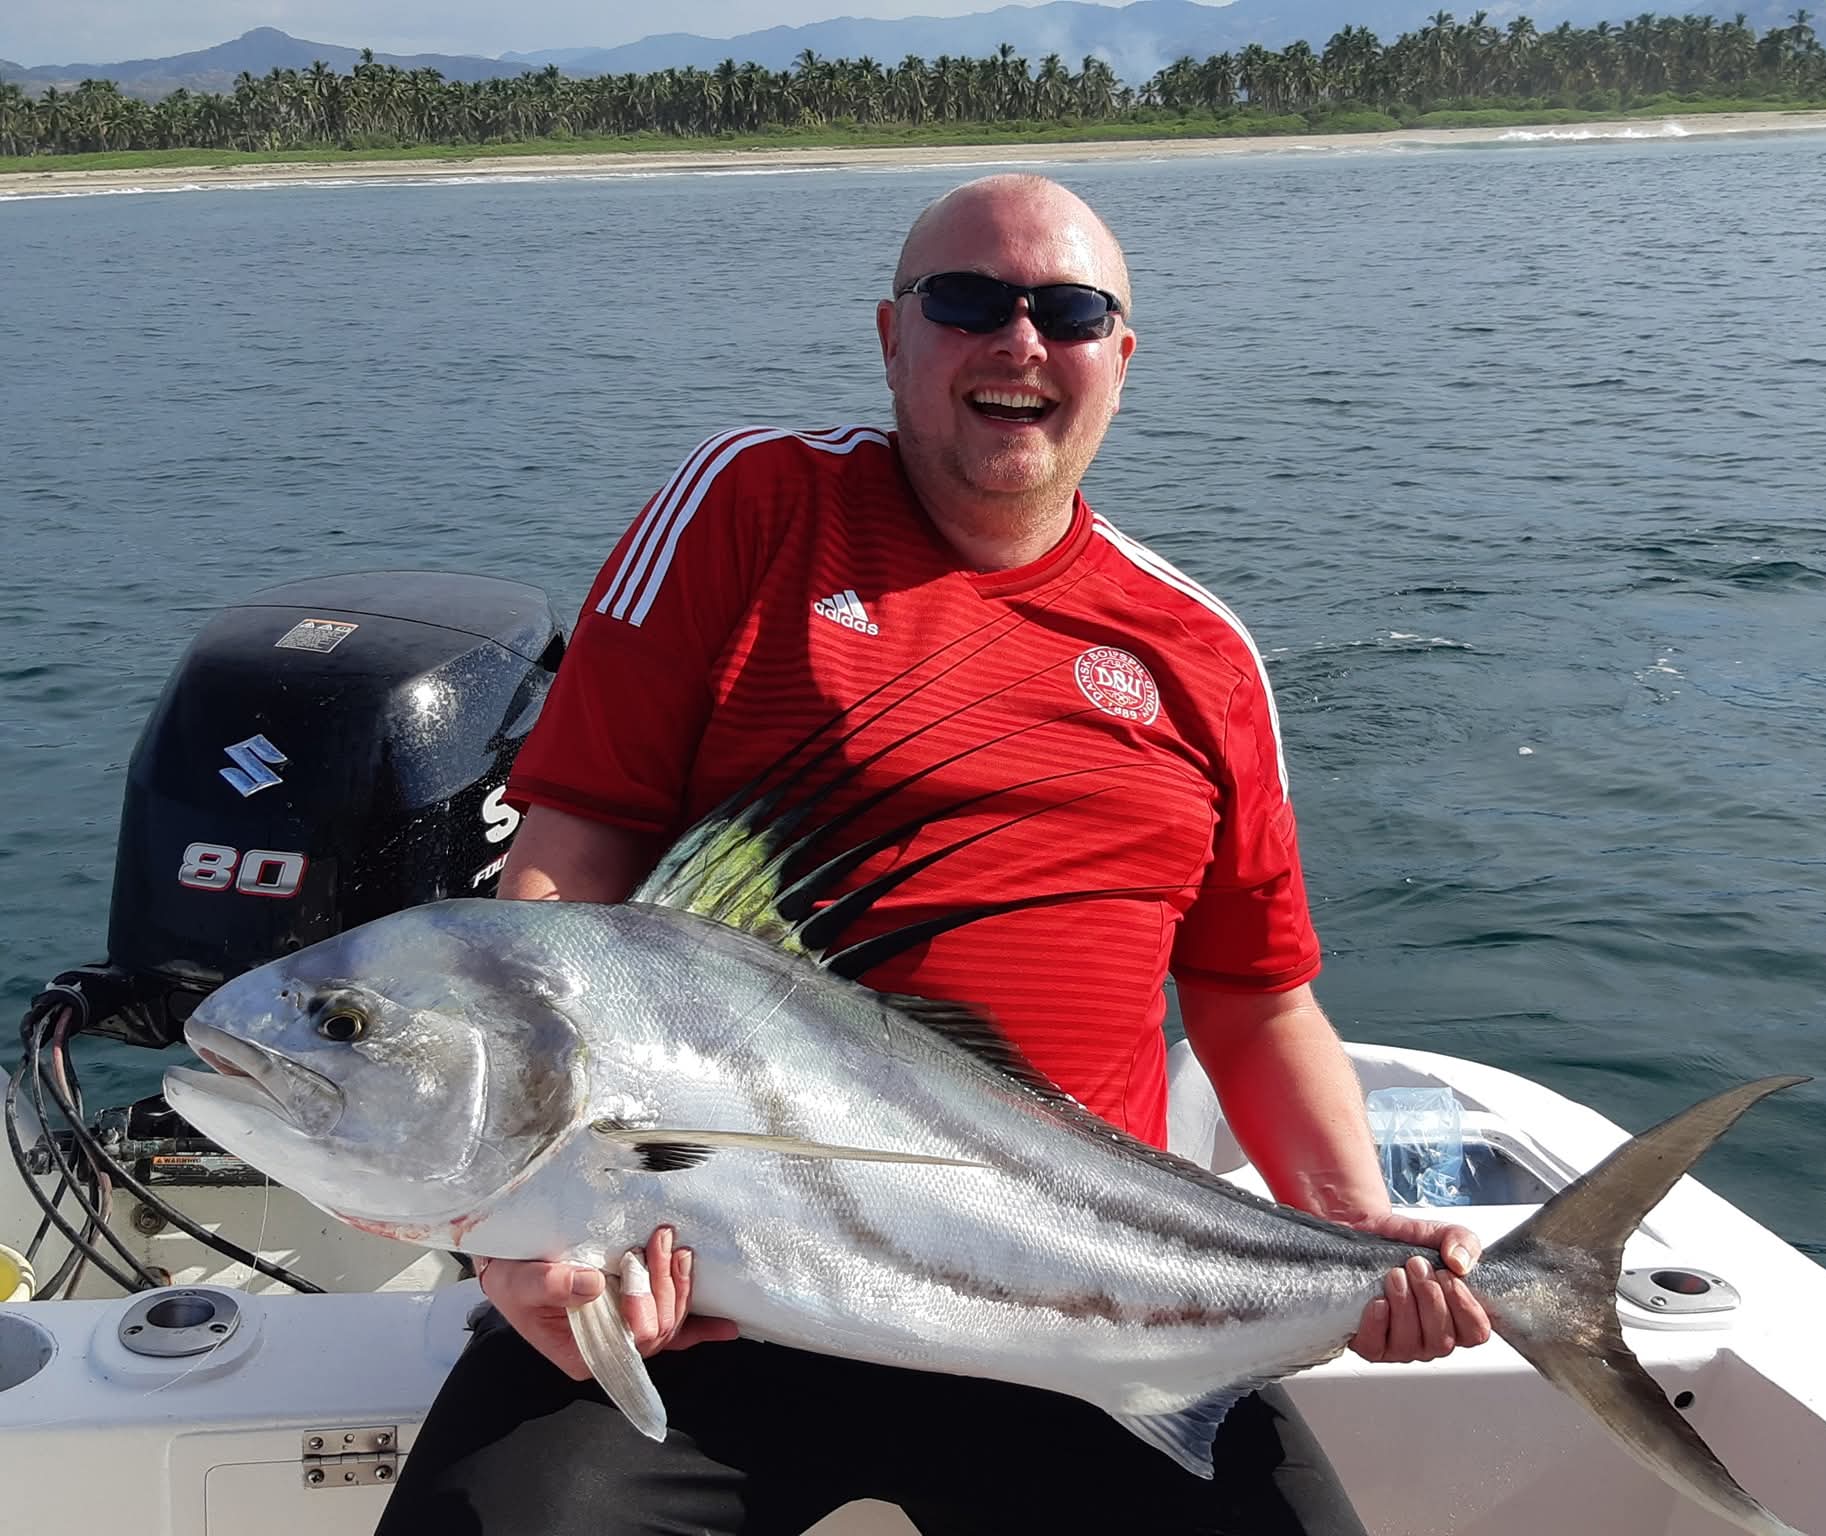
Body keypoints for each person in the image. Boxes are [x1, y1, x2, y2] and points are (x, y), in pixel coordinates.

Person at [375, 175, 1489, 1536]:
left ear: (1119, 364)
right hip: (705, 1288)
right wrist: (520, 1240)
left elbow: (1256, 999)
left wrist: (1358, 1225)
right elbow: (575, 852)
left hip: (1085, 1295)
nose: (1019, 342)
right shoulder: (756, 508)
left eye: (1070, 312)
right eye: (968, 302)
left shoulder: (1198, 656)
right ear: (892, 337)